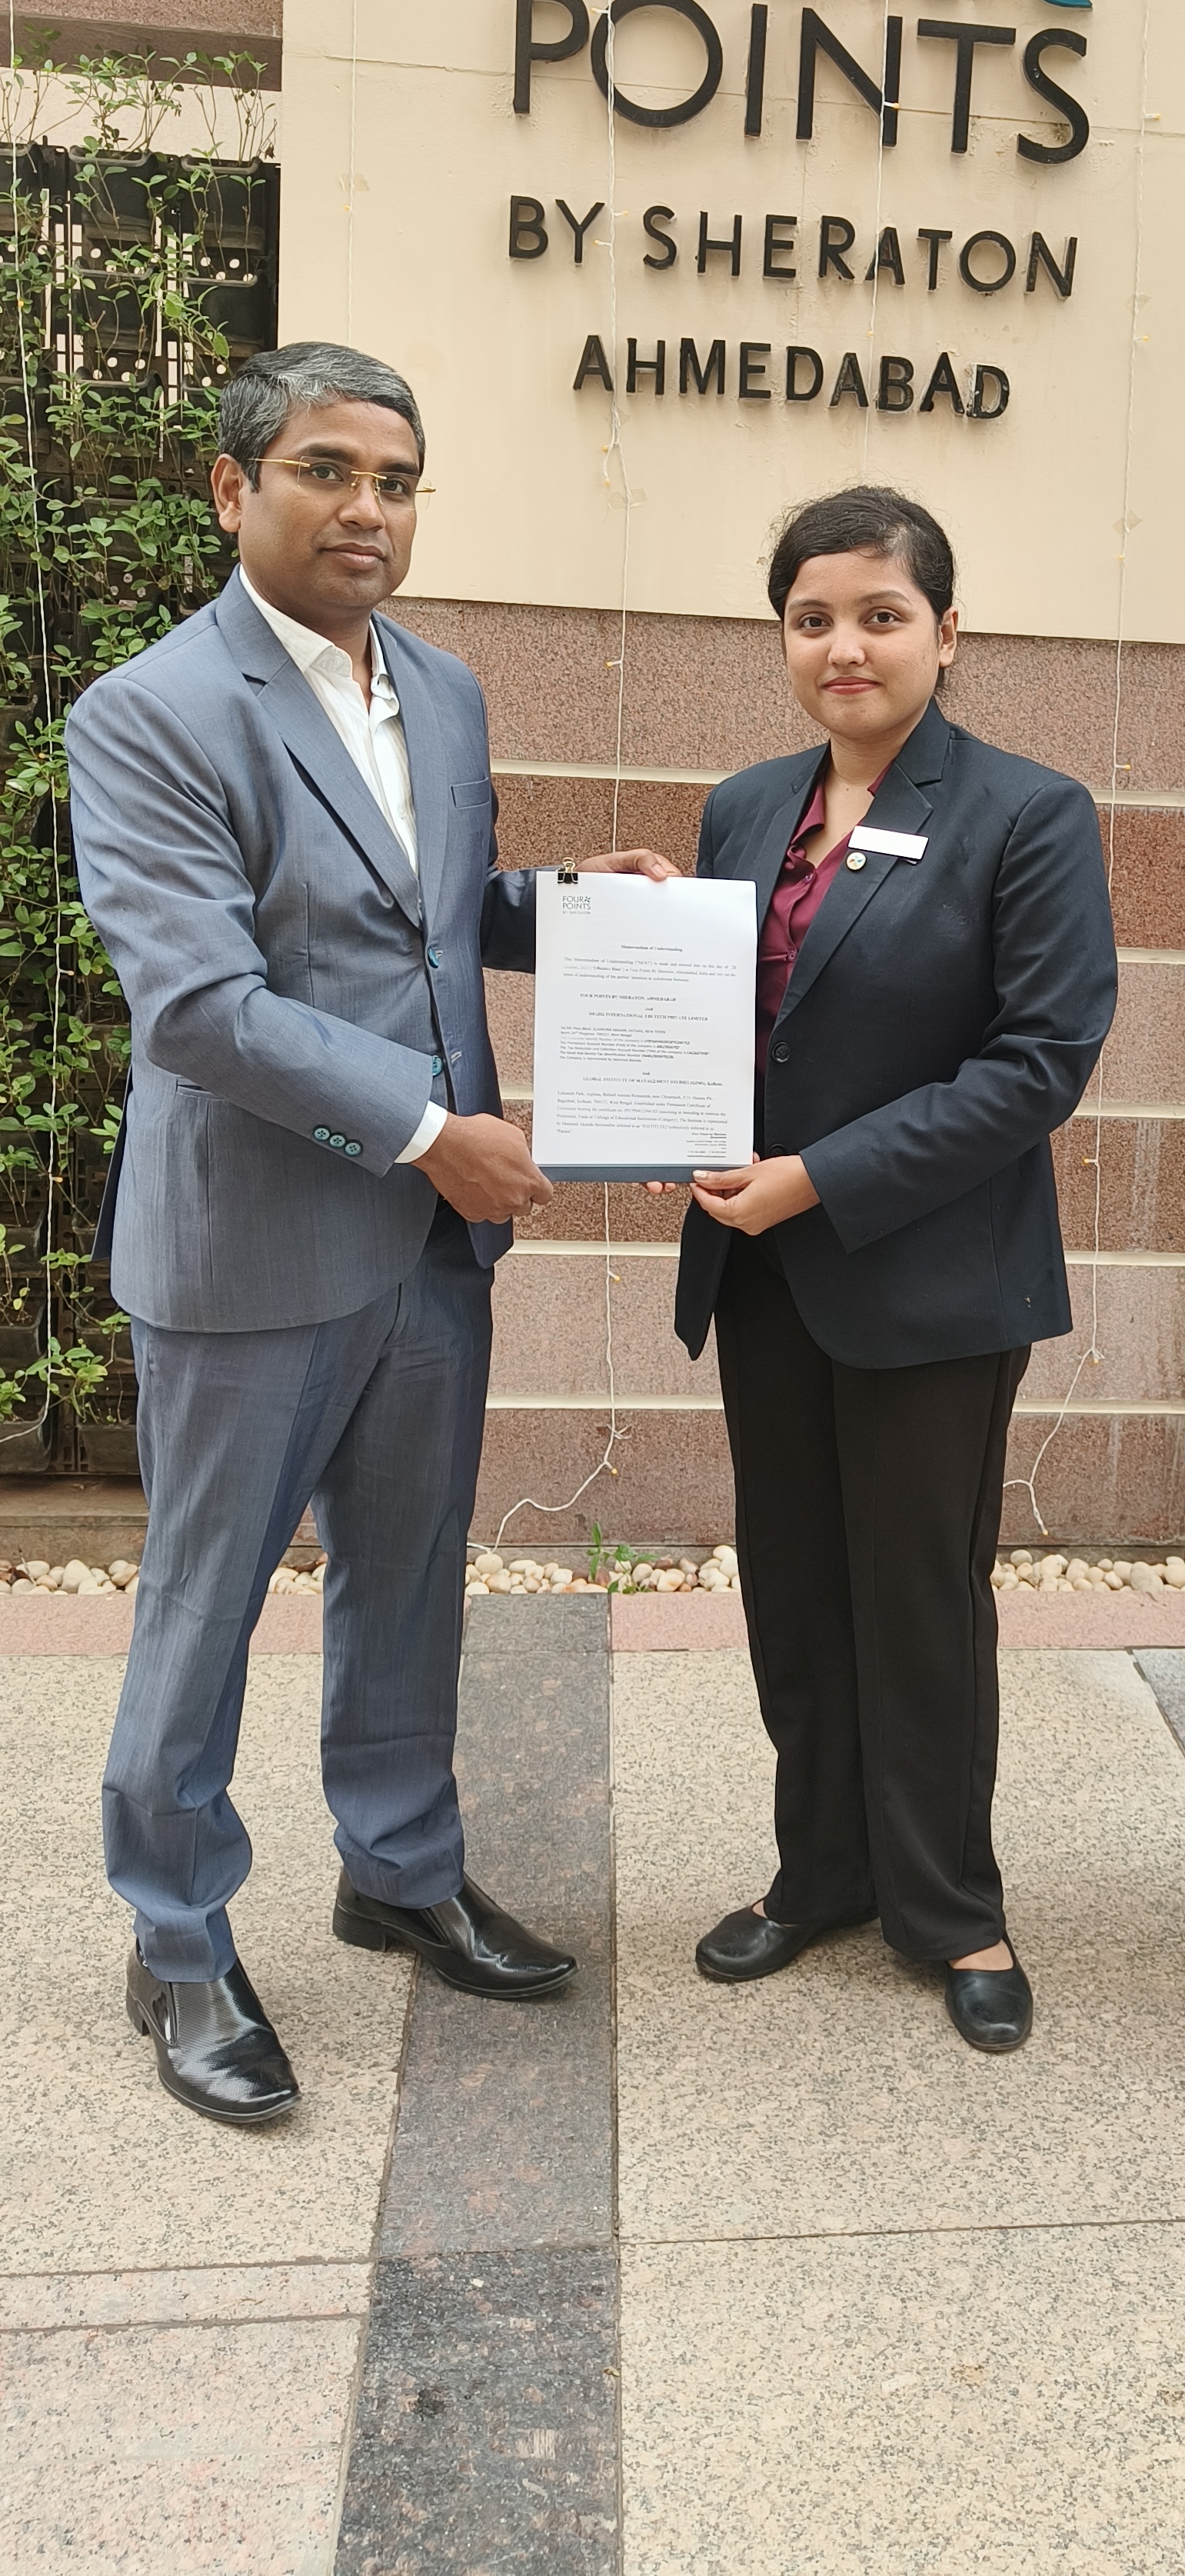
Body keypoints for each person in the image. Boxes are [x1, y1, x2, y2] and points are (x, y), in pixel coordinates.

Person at [65, 341, 677, 2127]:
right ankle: (178, 1935)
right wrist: (430, 1129)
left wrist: (566, 906)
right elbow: (200, 1002)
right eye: (326, 470)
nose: (368, 509)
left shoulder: (445, 689)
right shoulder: (152, 711)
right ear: (232, 488)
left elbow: (427, 913)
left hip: (423, 1253)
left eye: (396, 481)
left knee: (408, 1574)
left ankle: (399, 1867)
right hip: (254, 1247)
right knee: (205, 1604)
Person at [670, 486, 1117, 2052]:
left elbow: (1038, 1061)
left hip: (928, 1278)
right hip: (763, 1275)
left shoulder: (1027, 812)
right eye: (813, 619)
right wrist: (665, 1080)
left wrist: (817, 1177)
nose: (843, 647)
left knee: (920, 1600)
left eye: (880, 614)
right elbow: (729, 1020)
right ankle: (822, 1869)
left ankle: (951, 1907)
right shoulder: (745, 808)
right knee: (794, 1587)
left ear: (946, 631)